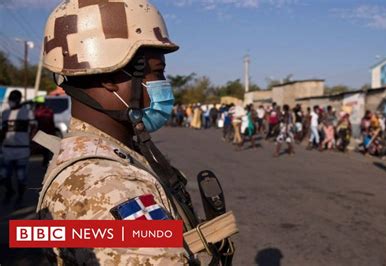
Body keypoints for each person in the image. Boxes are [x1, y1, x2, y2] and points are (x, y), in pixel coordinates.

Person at [36, 1, 234, 264]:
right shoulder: (111, 188)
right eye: (157, 73)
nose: (163, 86)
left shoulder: (100, 153)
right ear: (110, 77)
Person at [0, 90, 37, 205]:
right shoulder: (5, 113)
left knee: (21, 177)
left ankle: (19, 197)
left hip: (22, 150)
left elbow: (34, 127)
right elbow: (3, 130)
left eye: (13, 99)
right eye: (10, 99)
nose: (11, 102)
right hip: (7, 150)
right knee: (4, 175)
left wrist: (31, 140)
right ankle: (9, 192)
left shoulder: (27, 112)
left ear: (19, 99)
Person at [33, 96, 55, 167]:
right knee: (47, 150)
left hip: (40, 132)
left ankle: (45, 164)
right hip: (49, 132)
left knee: (42, 149)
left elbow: (34, 124)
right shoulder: (49, 111)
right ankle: (46, 164)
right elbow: (52, 123)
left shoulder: (37, 112)